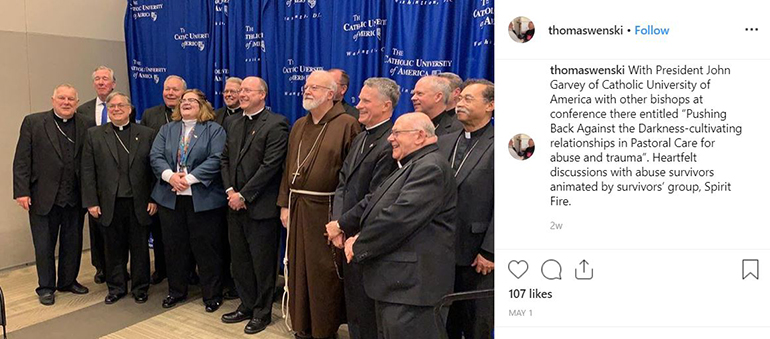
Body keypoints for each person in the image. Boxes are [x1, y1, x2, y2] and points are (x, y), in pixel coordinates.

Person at [339, 113, 456, 339]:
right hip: (398, 286)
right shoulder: (412, 164)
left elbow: (398, 219)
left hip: (412, 290)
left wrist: (359, 243)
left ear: (420, 136)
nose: (391, 138)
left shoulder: (430, 168)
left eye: (397, 133)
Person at [277, 70, 360, 339]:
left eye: (314, 87)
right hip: (298, 205)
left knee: (323, 273)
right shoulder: (300, 124)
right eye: (306, 86)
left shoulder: (347, 123)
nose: (307, 91)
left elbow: (352, 177)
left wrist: (343, 218)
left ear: (331, 94)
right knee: (298, 269)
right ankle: (302, 324)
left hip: (326, 210)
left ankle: (324, 329)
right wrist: (284, 204)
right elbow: (288, 167)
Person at [324, 77, 400, 339]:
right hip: (346, 234)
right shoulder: (360, 137)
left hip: (368, 237)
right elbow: (343, 182)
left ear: (386, 105)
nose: (358, 105)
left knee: (369, 311)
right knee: (354, 305)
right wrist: (337, 225)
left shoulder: (391, 143)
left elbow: (377, 196)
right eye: (359, 99)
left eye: (366, 101)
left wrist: (342, 224)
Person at [219, 76, 289, 334]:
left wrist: (244, 196)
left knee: (262, 263)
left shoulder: (277, 123)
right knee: (240, 261)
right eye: (241, 90)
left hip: (260, 208)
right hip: (233, 204)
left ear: (262, 94)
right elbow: (224, 159)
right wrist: (229, 191)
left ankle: (262, 312)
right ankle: (246, 305)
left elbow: (270, 166)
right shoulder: (233, 121)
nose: (242, 93)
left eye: (248, 90)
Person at [150, 89, 228, 312]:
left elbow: (216, 159)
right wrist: (170, 176)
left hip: (203, 199)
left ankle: (211, 294)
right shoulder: (167, 129)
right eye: (183, 101)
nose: (185, 103)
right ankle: (176, 291)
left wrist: (190, 179)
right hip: (170, 198)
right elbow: (155, 156)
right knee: (174, 248)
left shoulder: (214, 130)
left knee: (207, 249)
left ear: (203, 105)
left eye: (191, 100)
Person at [13, 84, 91, 305]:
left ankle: (68, 281)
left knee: (72, 242)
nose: (66, 102)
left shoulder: (87, 124)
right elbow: (22, 160)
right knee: (44, 244)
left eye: (71, 99)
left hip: (75, 197)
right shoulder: (33, 122)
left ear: (77, 102)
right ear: (53, 100)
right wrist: (22, 191)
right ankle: (46, 287)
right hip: (42, 196)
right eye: (62, 98)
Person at [81, 92, 157, 305]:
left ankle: (141, 287)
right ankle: (116, 287)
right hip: (108, 202)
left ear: (130, 109)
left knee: (140, 248)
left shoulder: (147, 134)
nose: (116, 109)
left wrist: (154, 198)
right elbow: (87, 171)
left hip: (139, 201)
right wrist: (91, 202)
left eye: (120, 105)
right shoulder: (94, 135)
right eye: (112, 106)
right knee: (113, 248)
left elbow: (154, 170)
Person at [437, 79, 495, 339]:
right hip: (439, 252)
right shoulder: (444, 141)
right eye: (460, 99)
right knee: (443, 324)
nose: (460, 103)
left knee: (474, 325)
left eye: (469, 99)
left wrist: (490, 250)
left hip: (477, 256)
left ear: (491, 105)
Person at [76, 65, 136, 284]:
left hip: (123, 183)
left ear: (113, 83)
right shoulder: (82, 110)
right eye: (98, 79)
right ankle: (102, 268)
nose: (101, 82)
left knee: (122, 234)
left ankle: (123, 270)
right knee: (98, 229)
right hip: (98, 179)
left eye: (105, 79)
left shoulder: (125, 106)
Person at [140, 75, 186, 285]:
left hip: (185, 183)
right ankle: (161, 269)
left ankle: (187, 272)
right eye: (167, 89)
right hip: (159, 180)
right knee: (159, 232)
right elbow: (146, 153)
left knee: (184, 233)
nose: (170, 93)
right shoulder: (150, 114)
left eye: (175, 90)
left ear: (183, 93)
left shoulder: (191, 114)